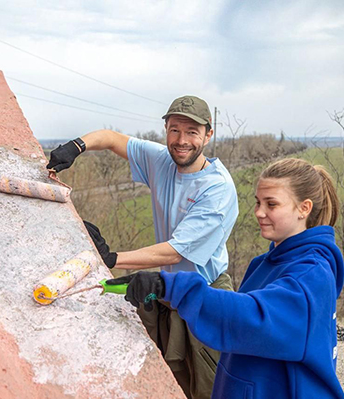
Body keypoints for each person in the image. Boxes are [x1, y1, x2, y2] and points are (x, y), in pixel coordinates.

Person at [46, 95, 239, 399]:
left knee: (210, 388)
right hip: (166, 291)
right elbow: (110, 139)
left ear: (208, 135)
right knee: (169, 381)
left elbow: (177, 251)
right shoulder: (162, 160)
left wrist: (112, 257)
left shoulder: (217, 189)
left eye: (192, 132)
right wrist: (76, 147)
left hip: (206, 295)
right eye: (175, 130)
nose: (182, 140)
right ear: (165, 129)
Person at [107, 158, 344, 399]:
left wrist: (170, 286)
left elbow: (252, 318)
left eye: (271, 204)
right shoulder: (265, 263)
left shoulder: (312, 274)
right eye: (258, 202)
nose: (259, 213)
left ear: (304, 208)